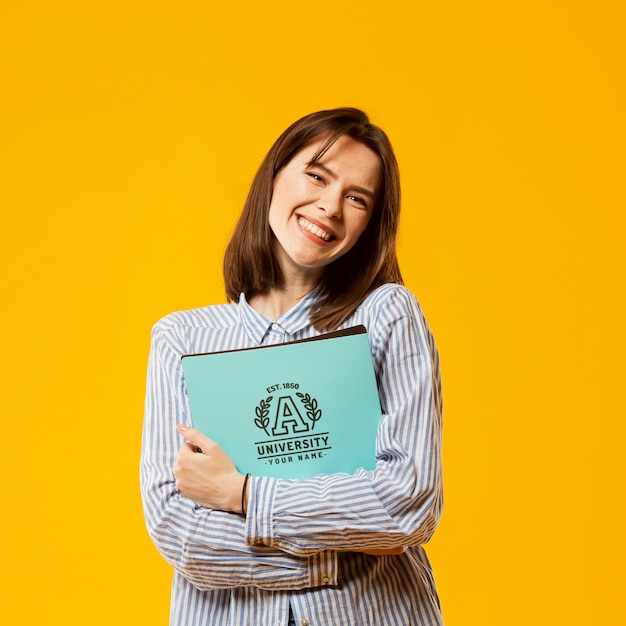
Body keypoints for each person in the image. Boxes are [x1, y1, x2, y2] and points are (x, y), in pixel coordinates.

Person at [140, 107, 444, 625]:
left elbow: (404, 505)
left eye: (357, 198)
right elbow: (181, 532)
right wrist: (337, 553)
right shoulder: (183, 339)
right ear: (274, 175)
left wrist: (242, 494)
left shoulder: (386, 316)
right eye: (317, 176)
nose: (329, 207)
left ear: (370, 223)